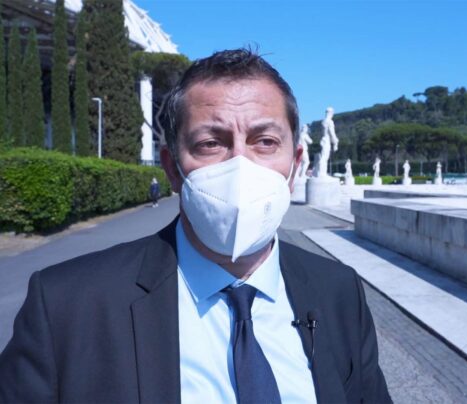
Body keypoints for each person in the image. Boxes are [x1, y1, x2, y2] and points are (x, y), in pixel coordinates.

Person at [0, 49, 391, 403]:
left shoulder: (339, 291)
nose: (240, 166)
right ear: (172, 168)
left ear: (296, 165)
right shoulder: (67, 305)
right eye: (210, 143)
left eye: (265, 141)